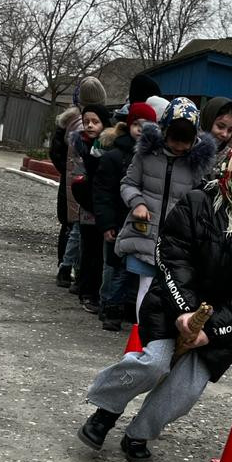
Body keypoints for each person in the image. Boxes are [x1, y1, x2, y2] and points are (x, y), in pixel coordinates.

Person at [78, 136, 232, 462]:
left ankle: (139, 433)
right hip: (170, 305)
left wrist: (210, 330)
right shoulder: (198, 203)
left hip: (217, 329)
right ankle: (106, 409)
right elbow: (172, 257)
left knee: (185, 389)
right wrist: (184, 314)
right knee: (153, 363)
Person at [116, 98, 216, 319]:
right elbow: (128, 183)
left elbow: (204, 199)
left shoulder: (198, 164)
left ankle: (161, 333)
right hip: (146, 232)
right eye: (174, 140)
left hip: (178, 240)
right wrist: (137, 203)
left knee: (174, 290)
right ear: (164, 130)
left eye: (185, 142)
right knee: (146, 284)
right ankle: (142, 334)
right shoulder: (146, 154)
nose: (179, 147)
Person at [93, 102, 157, 330]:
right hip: (119, 221)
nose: (141, 129)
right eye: (137, 124)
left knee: (136, 270)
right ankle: (110, 307)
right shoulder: (115, 156)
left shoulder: (153, 158)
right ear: (129, 125)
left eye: (147, 126)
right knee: (117, 270)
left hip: (142, 225)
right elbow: (103, 193)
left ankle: (128, 307)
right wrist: (107, 222)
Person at [67, 103, 109, 312]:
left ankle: (95, 291)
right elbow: (77, 177)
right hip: (88, 207)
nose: (90, 126)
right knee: (89, 251)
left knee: (100, 254)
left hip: (103, 208)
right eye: (86, 122)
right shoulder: (81, 146)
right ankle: (87, 291)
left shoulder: (108, 147)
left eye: (95, 122)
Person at [51, 105, 81, 283]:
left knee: (68, 227)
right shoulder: (79, 124)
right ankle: (67, 266)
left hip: (67, 181)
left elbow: (55, 153)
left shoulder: (67, 122)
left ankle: (64, 264)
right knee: (73, 229)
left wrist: (66, 171)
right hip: (74, 183)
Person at [200, 96, 232, 167]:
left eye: (230, 130)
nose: (225, 134)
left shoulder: (230, 161)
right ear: (207, 120)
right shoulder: (184, 146)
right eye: (220, 126)